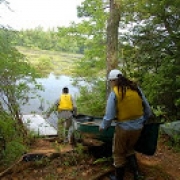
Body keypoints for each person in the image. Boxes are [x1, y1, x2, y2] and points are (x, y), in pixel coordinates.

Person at [99, 69, 152, 180]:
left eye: (110, 81)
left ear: (114, 81)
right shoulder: (136, 89)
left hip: (123, 128)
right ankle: (137, 174)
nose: (110, 84)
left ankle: (119, 178)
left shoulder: (115, 93)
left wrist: (103, 126)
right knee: (129, 149)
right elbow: (148, 110)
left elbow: (109, 116)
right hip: (138, 127)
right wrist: (143, 121)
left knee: (118, 153)